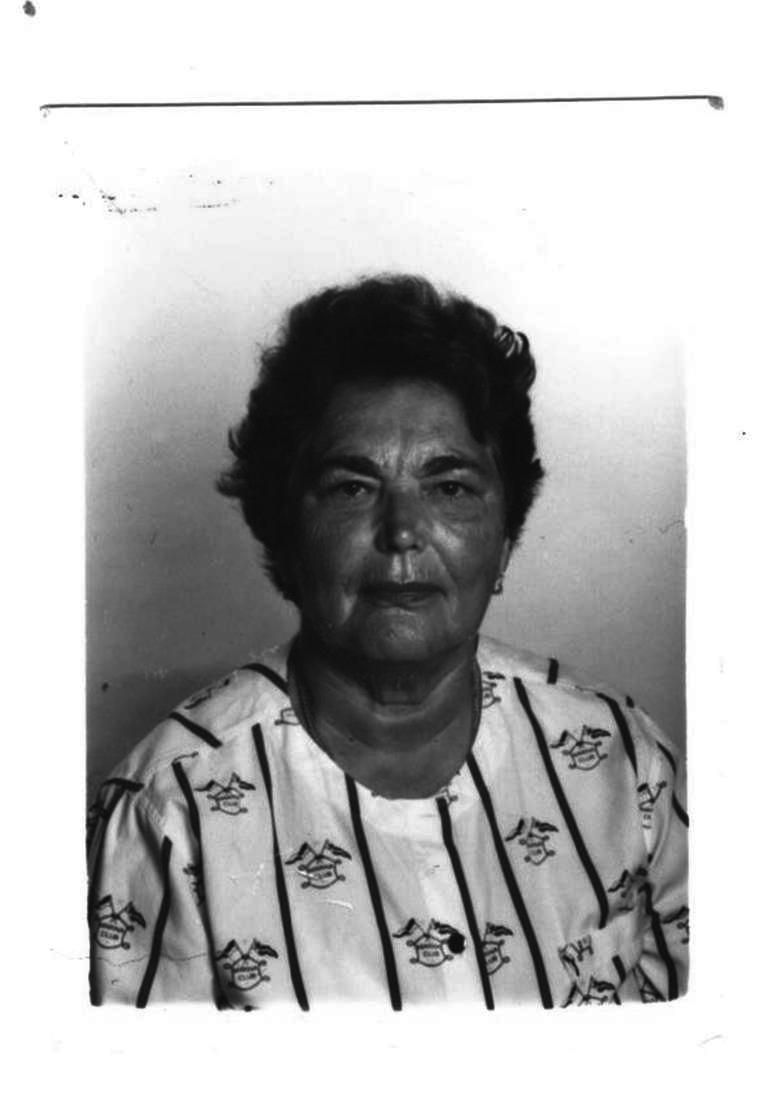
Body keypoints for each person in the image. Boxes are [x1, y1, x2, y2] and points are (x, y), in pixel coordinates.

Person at [87, 274, 688, 1009]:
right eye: (352, 488)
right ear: (285, 534)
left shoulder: (625, 759)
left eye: (450, 487)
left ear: (504, 539)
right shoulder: (167, 811)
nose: (402, 533)